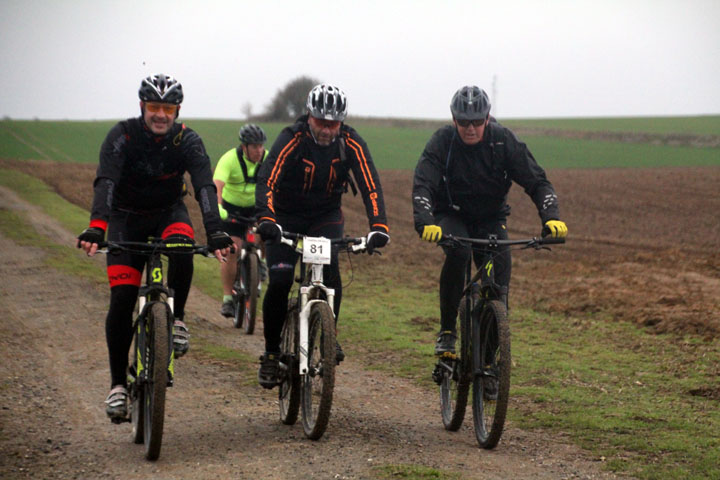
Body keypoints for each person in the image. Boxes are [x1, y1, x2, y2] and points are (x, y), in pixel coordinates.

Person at [76, 73, 234, 421]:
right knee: (122, 299)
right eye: (153, 107)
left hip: (167, 213)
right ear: (142, 107)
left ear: (177, 110)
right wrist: (97, 226)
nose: (160, 115)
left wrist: (216, 231)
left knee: (183, 244)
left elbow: (205, 185)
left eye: (167, 108)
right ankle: (118, 386)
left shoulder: (187, 140)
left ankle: (176, 320)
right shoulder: (123, 135)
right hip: (125, 218)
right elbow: (106, 181)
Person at [412, 85, 568, 356]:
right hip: (451, 215)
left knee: (499, 290)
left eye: (476, 121)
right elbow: (423, 184)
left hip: (491, 219)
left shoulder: (502, 140)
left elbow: (538, 182)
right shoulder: (442, 142)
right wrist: (425, 221)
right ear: (453, 120)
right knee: (459, 253)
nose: (470, 127)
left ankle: (488, 365)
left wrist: (551, 218)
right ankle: (448, 331)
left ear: (487, 118)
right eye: (463, 121)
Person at [254, 83, 390, 388]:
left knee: (331, 272)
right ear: (309, 116)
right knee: (279, 280)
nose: (327, 130)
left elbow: (370, 183)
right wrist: (266, 218)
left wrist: (379, 226)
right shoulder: (292, 138)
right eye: (321, 122)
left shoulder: (350, 141)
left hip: (325, 217)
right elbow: (267, 178)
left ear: (341, 122)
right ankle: (272, 353)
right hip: (285, 217)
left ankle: (330, 335)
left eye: (333, 124)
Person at [213, 123, 269, 318]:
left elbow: (279, 184)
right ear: (244, 146)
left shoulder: (268, 159)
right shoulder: (229, 159)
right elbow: (217, 186)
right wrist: (218, 208)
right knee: (232, 250)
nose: (259, 150)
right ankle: (228, 298)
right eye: (254, 146)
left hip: (256, 208)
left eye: (261, 146)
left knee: (268, 231)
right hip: (231, 210)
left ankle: (260, 262)